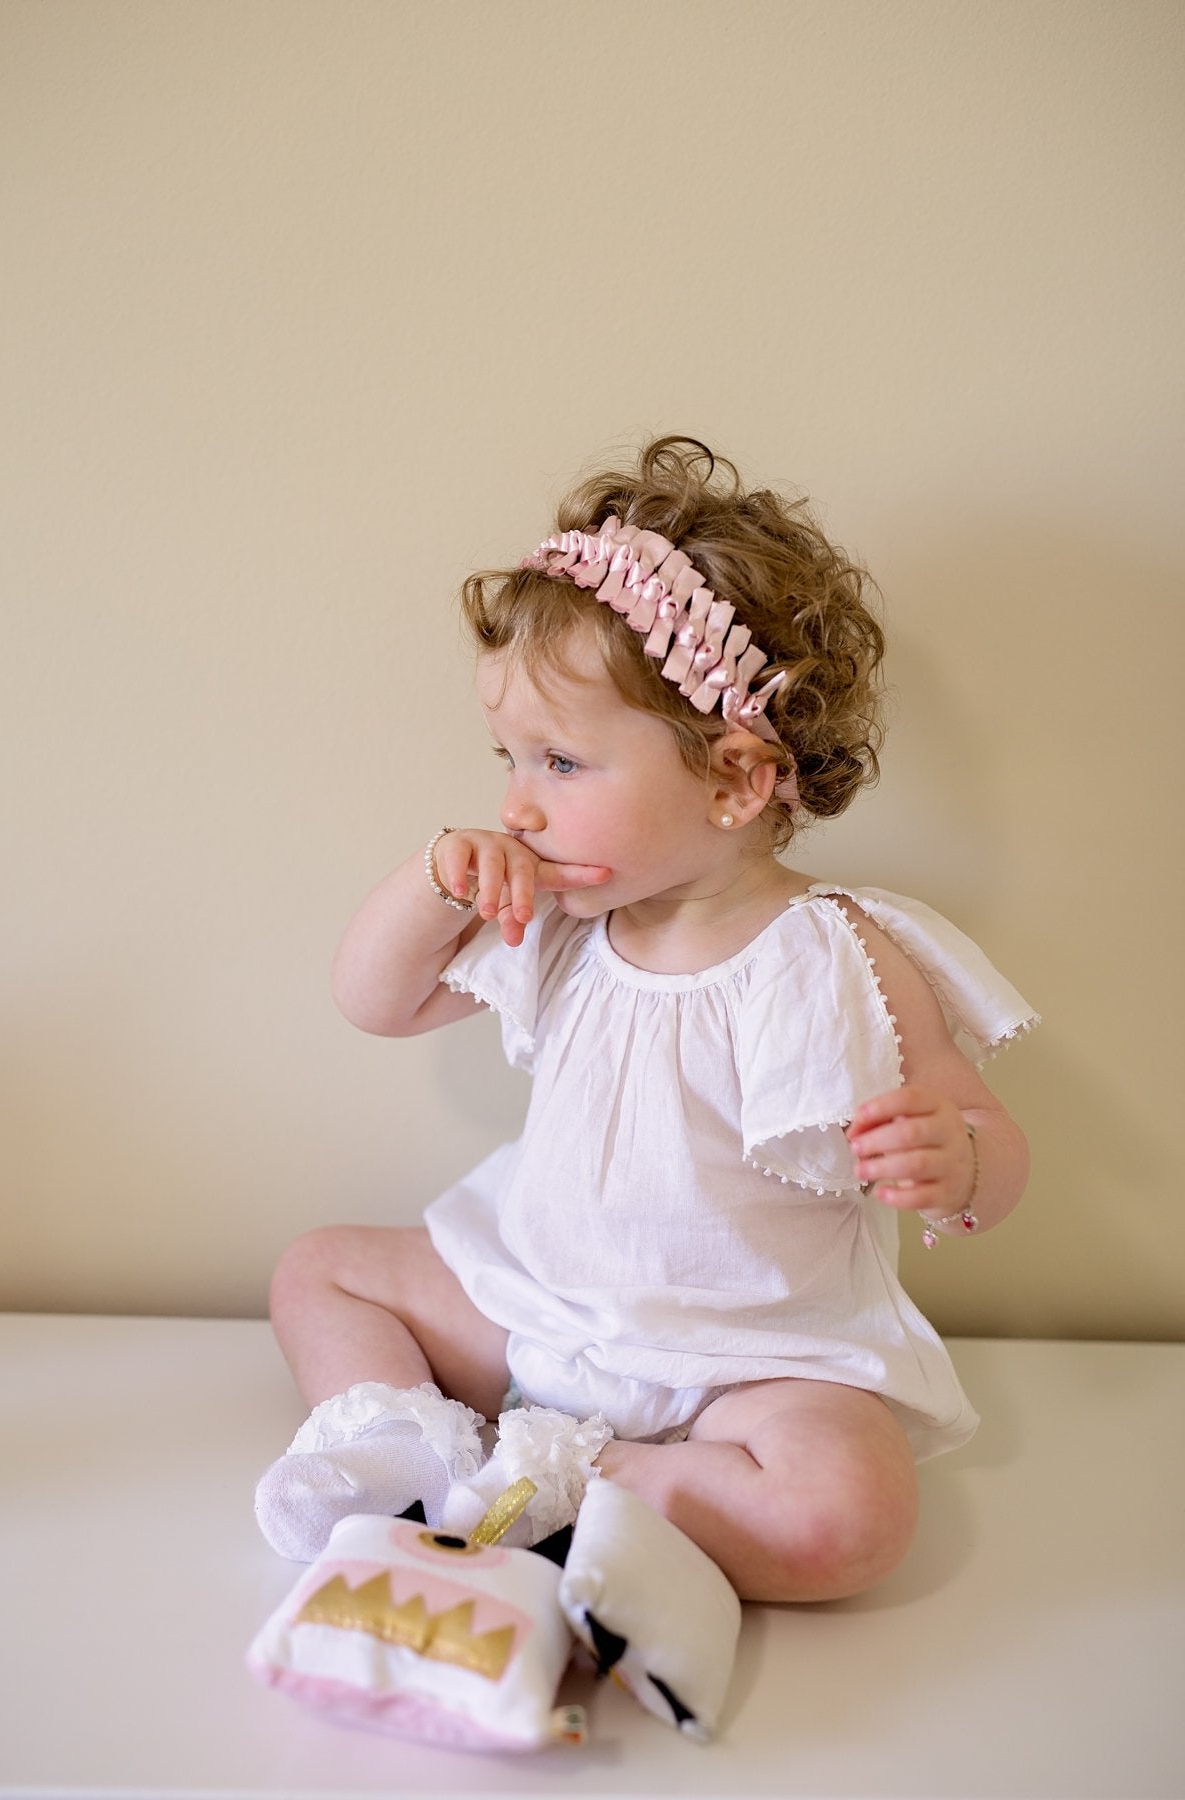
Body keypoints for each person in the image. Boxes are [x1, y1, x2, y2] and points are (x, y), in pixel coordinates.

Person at [254, 436, 1037, 1604]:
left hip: (747, 1367)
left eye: (561, 763)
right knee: (320, 1271)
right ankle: (408, 1447)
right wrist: (435, 879)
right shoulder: (562, 915)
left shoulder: (838, 953)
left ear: (733, 780)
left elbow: (987, 1133)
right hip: (536, 1308)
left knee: (849, 1520)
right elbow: (376, 1001)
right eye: (510, 758)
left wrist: (960, 1161)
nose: (518, 803)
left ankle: (589, 1479)